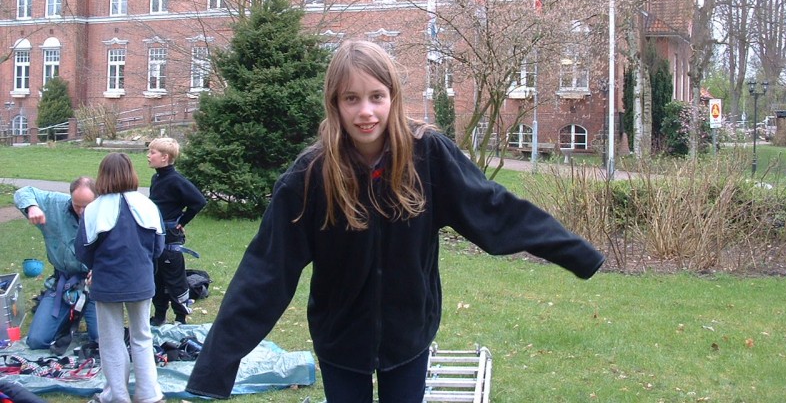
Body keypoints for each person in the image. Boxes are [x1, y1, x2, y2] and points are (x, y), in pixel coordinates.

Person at [186, 40, 604, 402]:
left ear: (393, 97)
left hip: (408, 335)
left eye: (376, 96)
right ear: (335, 103)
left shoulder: (428, 156)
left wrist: (574, 252)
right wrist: (216, 364)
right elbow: (266, 272)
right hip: (340, 339)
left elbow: (495, 210)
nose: (365, 112)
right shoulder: (310, 177)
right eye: (351, 99)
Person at [75, 153, 165, 403]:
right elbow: (158, 248)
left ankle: (116, 396)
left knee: (111, 340)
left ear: (102, 176)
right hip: (141, 281)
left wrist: (96, 267)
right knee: (142, 336)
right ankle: (149, 395)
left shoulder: (93, 210)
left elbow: (83, 251)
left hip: (107, 283)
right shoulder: (148, 206)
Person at [13, 178, 99, 350]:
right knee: (37, 341)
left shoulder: (106, 213)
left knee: (103, 340)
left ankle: (80, 314)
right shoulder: (55, 205)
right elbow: (23, 192)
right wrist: (32, 207)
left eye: (86, 206)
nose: (81, 211)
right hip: (64, 284)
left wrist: (101, 270)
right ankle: (66, 315)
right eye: (77, 205)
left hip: (95, 286)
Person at [146, 137, 207, 325]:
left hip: (170, 237)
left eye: (152, 153)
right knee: (157, 276)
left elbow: (199, 201)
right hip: (156, 235)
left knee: (174, 278)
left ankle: (181, 318)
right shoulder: (156, 178)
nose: (148, 156)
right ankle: (159, 315)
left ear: (164, 157)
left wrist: (182, 221)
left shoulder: (175, 180)